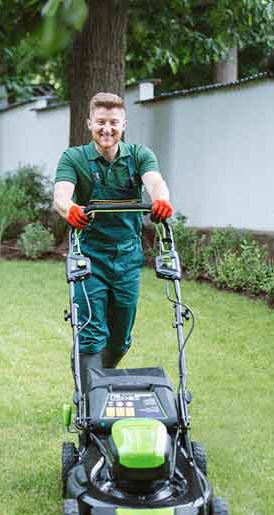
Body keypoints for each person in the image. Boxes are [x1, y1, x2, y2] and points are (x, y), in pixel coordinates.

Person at [53, 92, 174, 389]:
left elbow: (155, 182)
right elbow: (61, 195)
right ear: (89, 123)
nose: (107, 129)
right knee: (92, 331)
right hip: (90, 257)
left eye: (113, 123)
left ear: (124, 124)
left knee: (120, 339)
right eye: (101, 122)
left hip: (127, 258)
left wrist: (160, 200)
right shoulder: (74, 158)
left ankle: (97, 382)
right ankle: (89, 398)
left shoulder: (139, 155)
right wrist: (71, 210)